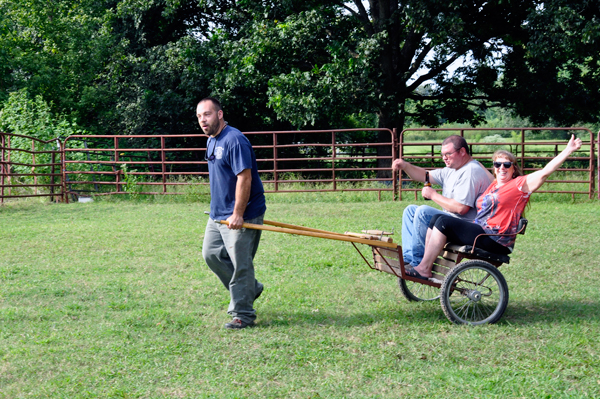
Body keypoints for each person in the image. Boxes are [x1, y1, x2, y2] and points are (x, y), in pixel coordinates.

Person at [407, 134, 583, 280]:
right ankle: (424, 265)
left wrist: (568, 150)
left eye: (506, 165)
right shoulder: (494, 185)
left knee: (443, 222)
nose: (502, 168)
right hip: (482, 231)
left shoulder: (519, 185)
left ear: (513, 168)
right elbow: (475, 164)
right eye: (497, 165)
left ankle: (424, 268)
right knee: (437, 218)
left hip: (495, 238)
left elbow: (545, 172)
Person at [197, 97, 267, 329]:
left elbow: (244, 177)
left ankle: (243, 314)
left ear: (219, 114)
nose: (202, 120)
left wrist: (238, 213)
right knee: (211, 255)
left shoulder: (235, 140)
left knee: (241, 264)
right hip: (218, 214)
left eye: (206, 114)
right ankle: (251, 288)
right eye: (199, 117)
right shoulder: (211, 140)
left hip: (242, 214)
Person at [393, 135, 494, 268]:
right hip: (450, 221)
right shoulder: (451, 170)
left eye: (448, 154)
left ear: (462, 152)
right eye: (442, 154)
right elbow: (424, 175)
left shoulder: (471, 171)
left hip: (466, 226)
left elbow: (461, 208)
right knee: (410, 210)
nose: (444, 158)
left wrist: (433, 195)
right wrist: (405, 166)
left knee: (423, 211)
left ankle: (417, 264)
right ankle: (409, 258)